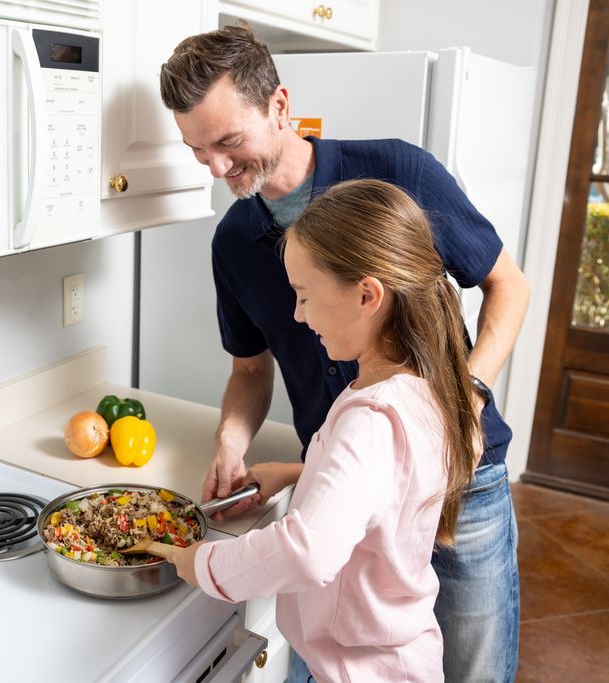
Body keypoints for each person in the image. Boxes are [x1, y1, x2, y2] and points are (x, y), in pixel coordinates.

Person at [160, 25, 528, 683]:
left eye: (228, 142)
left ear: (279, 108)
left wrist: (462, 402)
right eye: (196, 150)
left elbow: (510, 285)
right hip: (337, 491)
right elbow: (250, 370)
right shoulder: (234, 242)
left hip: (460, 490)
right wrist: (230, 443)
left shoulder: (397, 172)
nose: (216, 169)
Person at [169, 178, 481, 681]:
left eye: (304, 295)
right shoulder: (424, 388)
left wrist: (203, 563)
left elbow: (306, 550)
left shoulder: (370, 416)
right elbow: (392, 485)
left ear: (366, 296)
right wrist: (301, 471)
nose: (297, 315)